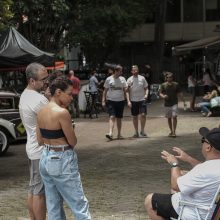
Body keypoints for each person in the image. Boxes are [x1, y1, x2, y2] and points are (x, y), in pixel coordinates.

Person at [37, 77, 91, 220]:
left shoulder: (41, 111)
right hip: (61, 158)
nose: (71, 98)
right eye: (69, 94)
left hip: (45, 159)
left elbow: (39, 140)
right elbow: (73, 142)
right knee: (79, 205)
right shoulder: (62, 113)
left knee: (53, 205)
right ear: (59, 92)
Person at [145, 126, 220, 220]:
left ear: (208, 147)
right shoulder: (210, 167)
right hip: (212, 211)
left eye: (203, 141)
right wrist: (188, 159)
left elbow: (175, 185)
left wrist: (174, 164)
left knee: (150, 200)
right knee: (178, 183)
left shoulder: (203, 170)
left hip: (195, 212)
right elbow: (206, 171)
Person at [19, 63, 49, 220]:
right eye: (43, 79)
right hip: (39, 150)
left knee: (33, 189)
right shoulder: (38, 99)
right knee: (39, 193)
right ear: (32, 81)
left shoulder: (25, 95)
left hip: (32, 148)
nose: (46, 82)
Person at [102, 63, 131, 140]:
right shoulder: (108, 79)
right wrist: (103, 101)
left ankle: (119, 134)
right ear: (116, 71)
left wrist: (128, 101)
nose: (121, 73)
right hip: (111, 100)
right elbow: (105, 91)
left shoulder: (123, 79)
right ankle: (110, 133)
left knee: (119, 118)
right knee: (112, 116)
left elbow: (126, 91)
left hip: (120, 101)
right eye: (120, 71)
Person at [159, 72, 185, 137]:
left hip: (174, 103)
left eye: (170, 77)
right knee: (169, 118)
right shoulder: (163, 85)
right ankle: (171, 131)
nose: (169, 78)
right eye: (168, 77)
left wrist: (184, 101)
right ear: (166, 78)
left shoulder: (176, 84)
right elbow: (160, 93)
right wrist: (163, 96)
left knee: (174, 116)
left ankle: (174, 131)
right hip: (167, 104)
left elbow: (180, 93)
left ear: (172, 78)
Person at [127, 65, 149, 137]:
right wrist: (128, 101)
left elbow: (146, 88)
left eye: (136, 70)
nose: (135, 71)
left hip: (142, 99)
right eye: (133, 70)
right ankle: (136, 132)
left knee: (143, 115)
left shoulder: (142, 78)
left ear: (138, 71)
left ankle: (142, 130)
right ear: (131, 71)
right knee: (135, 116)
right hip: (133, 100)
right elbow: (127, 91)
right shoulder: (129, 79)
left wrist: (146, 95)